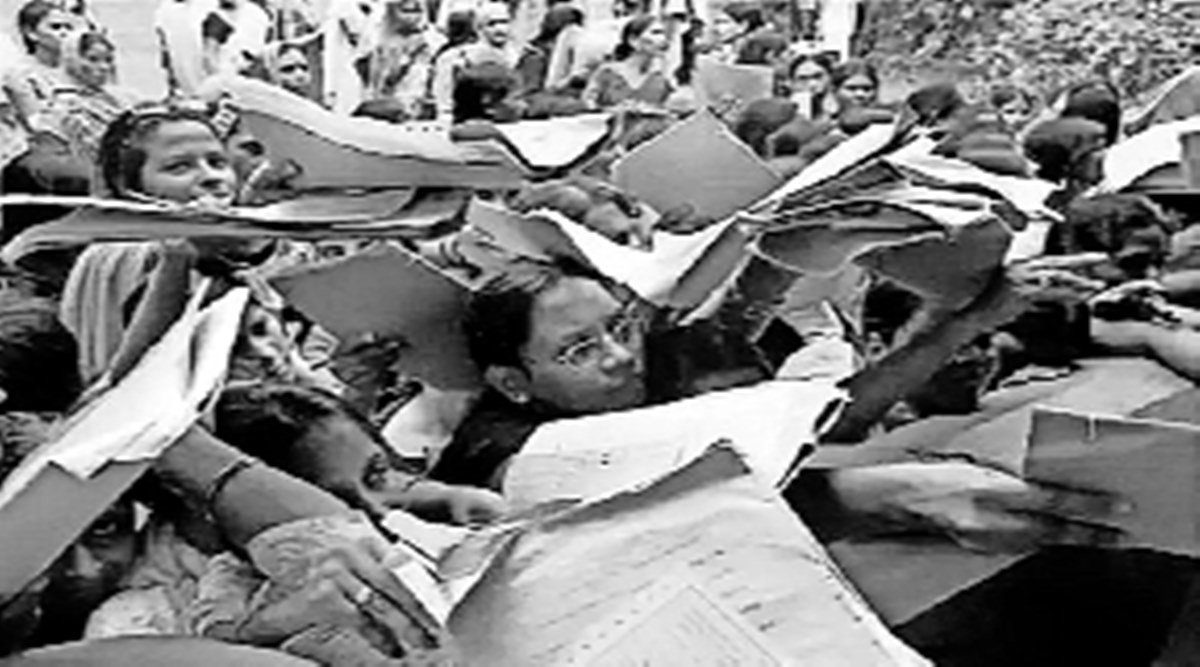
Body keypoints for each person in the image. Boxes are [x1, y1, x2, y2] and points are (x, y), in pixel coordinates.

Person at [31, 30, 138, 167]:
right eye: (92, 59)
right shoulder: (61, 106)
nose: (104, 67)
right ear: (71, 59)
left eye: (108, 60)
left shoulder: (119, 99)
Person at [430, 2, 520, 120]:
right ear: (479, 28)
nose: (499, 28)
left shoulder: (523, 55)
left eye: (504, 22)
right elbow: (444, 98)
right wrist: (445, 113)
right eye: (491, 24)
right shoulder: (454, 57)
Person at [5, 0, 78, 128]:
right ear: (31, 33)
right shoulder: (20, 75)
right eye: (56, 27)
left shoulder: (79, 71)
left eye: (69, 27)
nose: (64, 33)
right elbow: (37, 125)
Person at [583, 15, 672, 110]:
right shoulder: (607, 73)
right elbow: (589, 105)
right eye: (656, 33)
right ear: (633, 40)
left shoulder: (661, 80)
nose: (663, 39)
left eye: (664, 34)